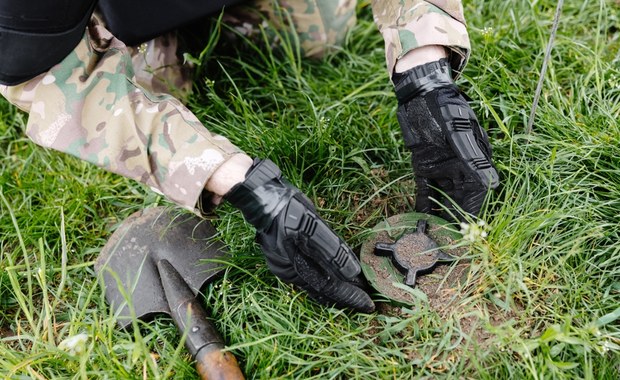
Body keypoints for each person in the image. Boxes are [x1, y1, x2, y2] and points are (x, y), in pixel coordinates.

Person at [0, 0, 497, 314]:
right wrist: (241, 183)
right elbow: (39, 74)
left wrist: (424, 71)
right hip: (110, 19)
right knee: (157, 82)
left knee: (320, 35)